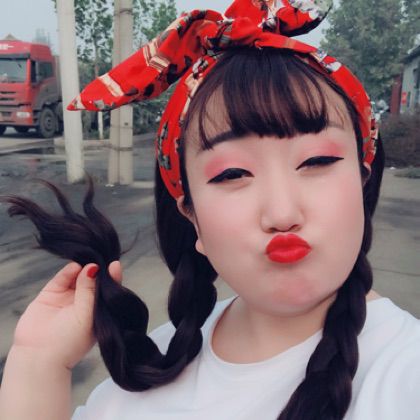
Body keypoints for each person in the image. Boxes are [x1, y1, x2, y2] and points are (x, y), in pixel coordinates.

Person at [0, 1, 419, 419]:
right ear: (191, 216)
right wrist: (39, 363)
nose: (281, 212)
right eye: (232, 173)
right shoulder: (151, 367)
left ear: (362, 180)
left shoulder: (406, 375)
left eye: (317, 161)